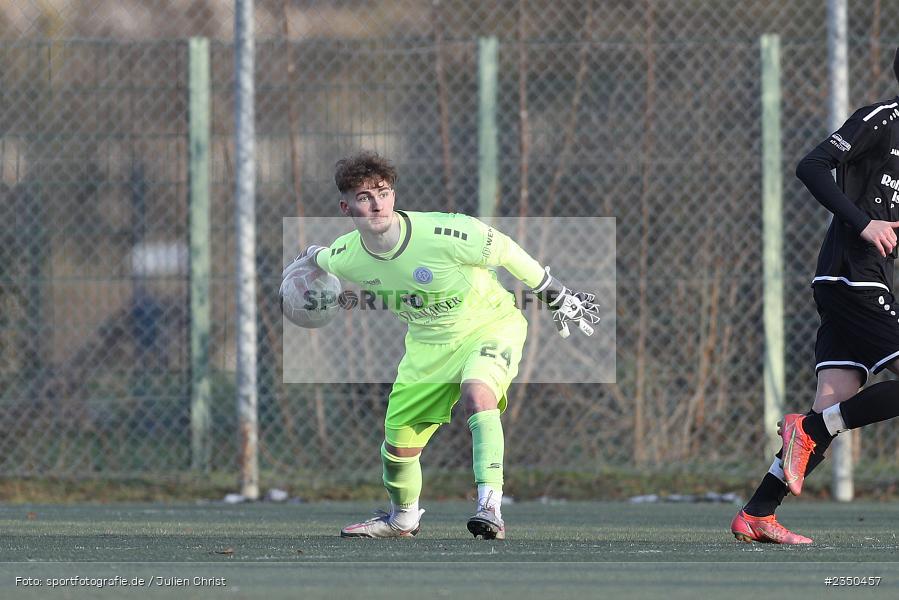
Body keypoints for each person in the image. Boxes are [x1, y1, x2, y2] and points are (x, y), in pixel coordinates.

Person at [284, 151, 599, 539]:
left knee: (478, 393)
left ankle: (490, 507)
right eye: (365, 196)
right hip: (427, 348)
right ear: (346, 206)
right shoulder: (347, 255)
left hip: (490, 325)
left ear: (395, 195)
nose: (377, 203)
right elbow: (322, 257)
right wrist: (306, 262)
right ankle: (403, 518)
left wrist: (554, 293)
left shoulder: (445, 232)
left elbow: (507, 251)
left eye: (383, 192)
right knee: (397, 449)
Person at [731, 47, 899, 545]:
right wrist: (863, 222)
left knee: (831, 403)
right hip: (851, 279)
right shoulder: (884, 118)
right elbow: (813, 165)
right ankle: (812, 428)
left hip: (862, 281)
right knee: (821, 423)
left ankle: (758, 512)